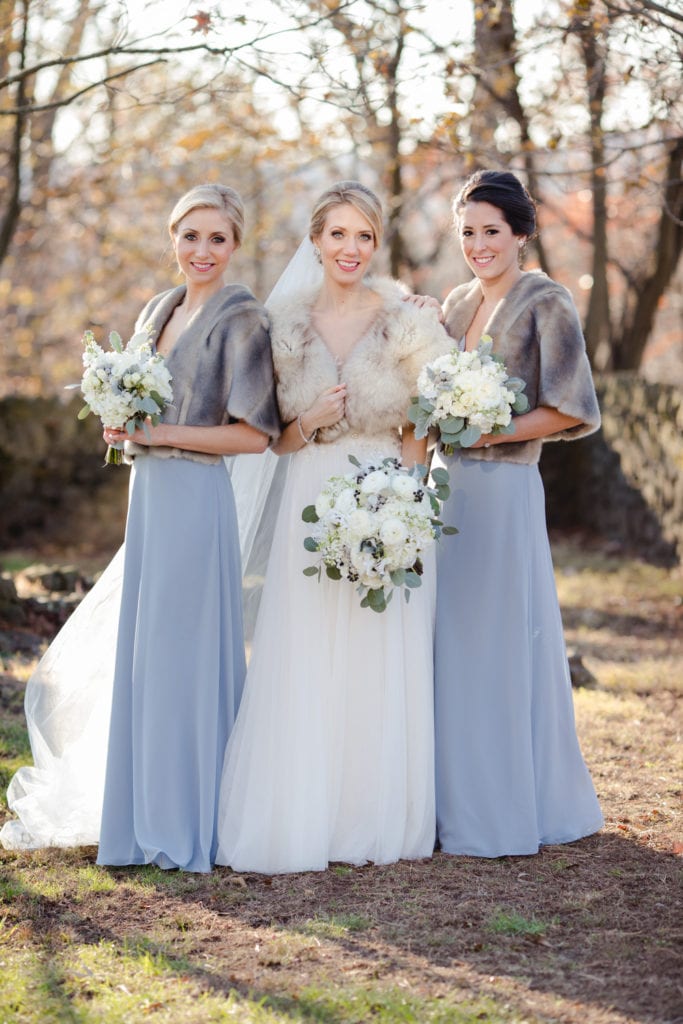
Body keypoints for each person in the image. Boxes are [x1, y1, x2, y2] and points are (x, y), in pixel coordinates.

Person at [1, 184, 281, 872]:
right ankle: (140, 809)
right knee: (147, 654)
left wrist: (162, 431)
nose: (202, 251)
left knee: (186, 655)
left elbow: (254, 435)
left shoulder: (243, 320)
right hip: (148, 492)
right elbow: (138, 410)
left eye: (217, 238)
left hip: (193, 493)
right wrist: (121, 424)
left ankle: (189, 817)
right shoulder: (158, 309)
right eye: (189, 236)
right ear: (171, 239)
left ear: (235, 245)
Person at [214, 181, 448, 874]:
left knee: (381, 648)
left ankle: (373, 818)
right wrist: (304, 423)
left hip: (387, 492)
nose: (350, 248)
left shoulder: (405, 318)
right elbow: (268, 440)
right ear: (315, 240)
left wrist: (404, 500)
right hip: (311, 495)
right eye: (338, 234)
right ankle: (303, 811)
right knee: (308, 647)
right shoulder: (279, 323)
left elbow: (423, 423)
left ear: (376, 245)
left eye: (364, 236)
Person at [422, 169, 604, 857]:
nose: (477, 245)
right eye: (466, 232)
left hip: (501, 491)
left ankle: (501, 804)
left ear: (520, 232)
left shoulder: (544, 300)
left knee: (495, 644)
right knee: (448, 642)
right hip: (445, 491)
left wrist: (487, 433)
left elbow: (571, 408)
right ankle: (443, 797)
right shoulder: (456, 302)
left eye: (490, 231)